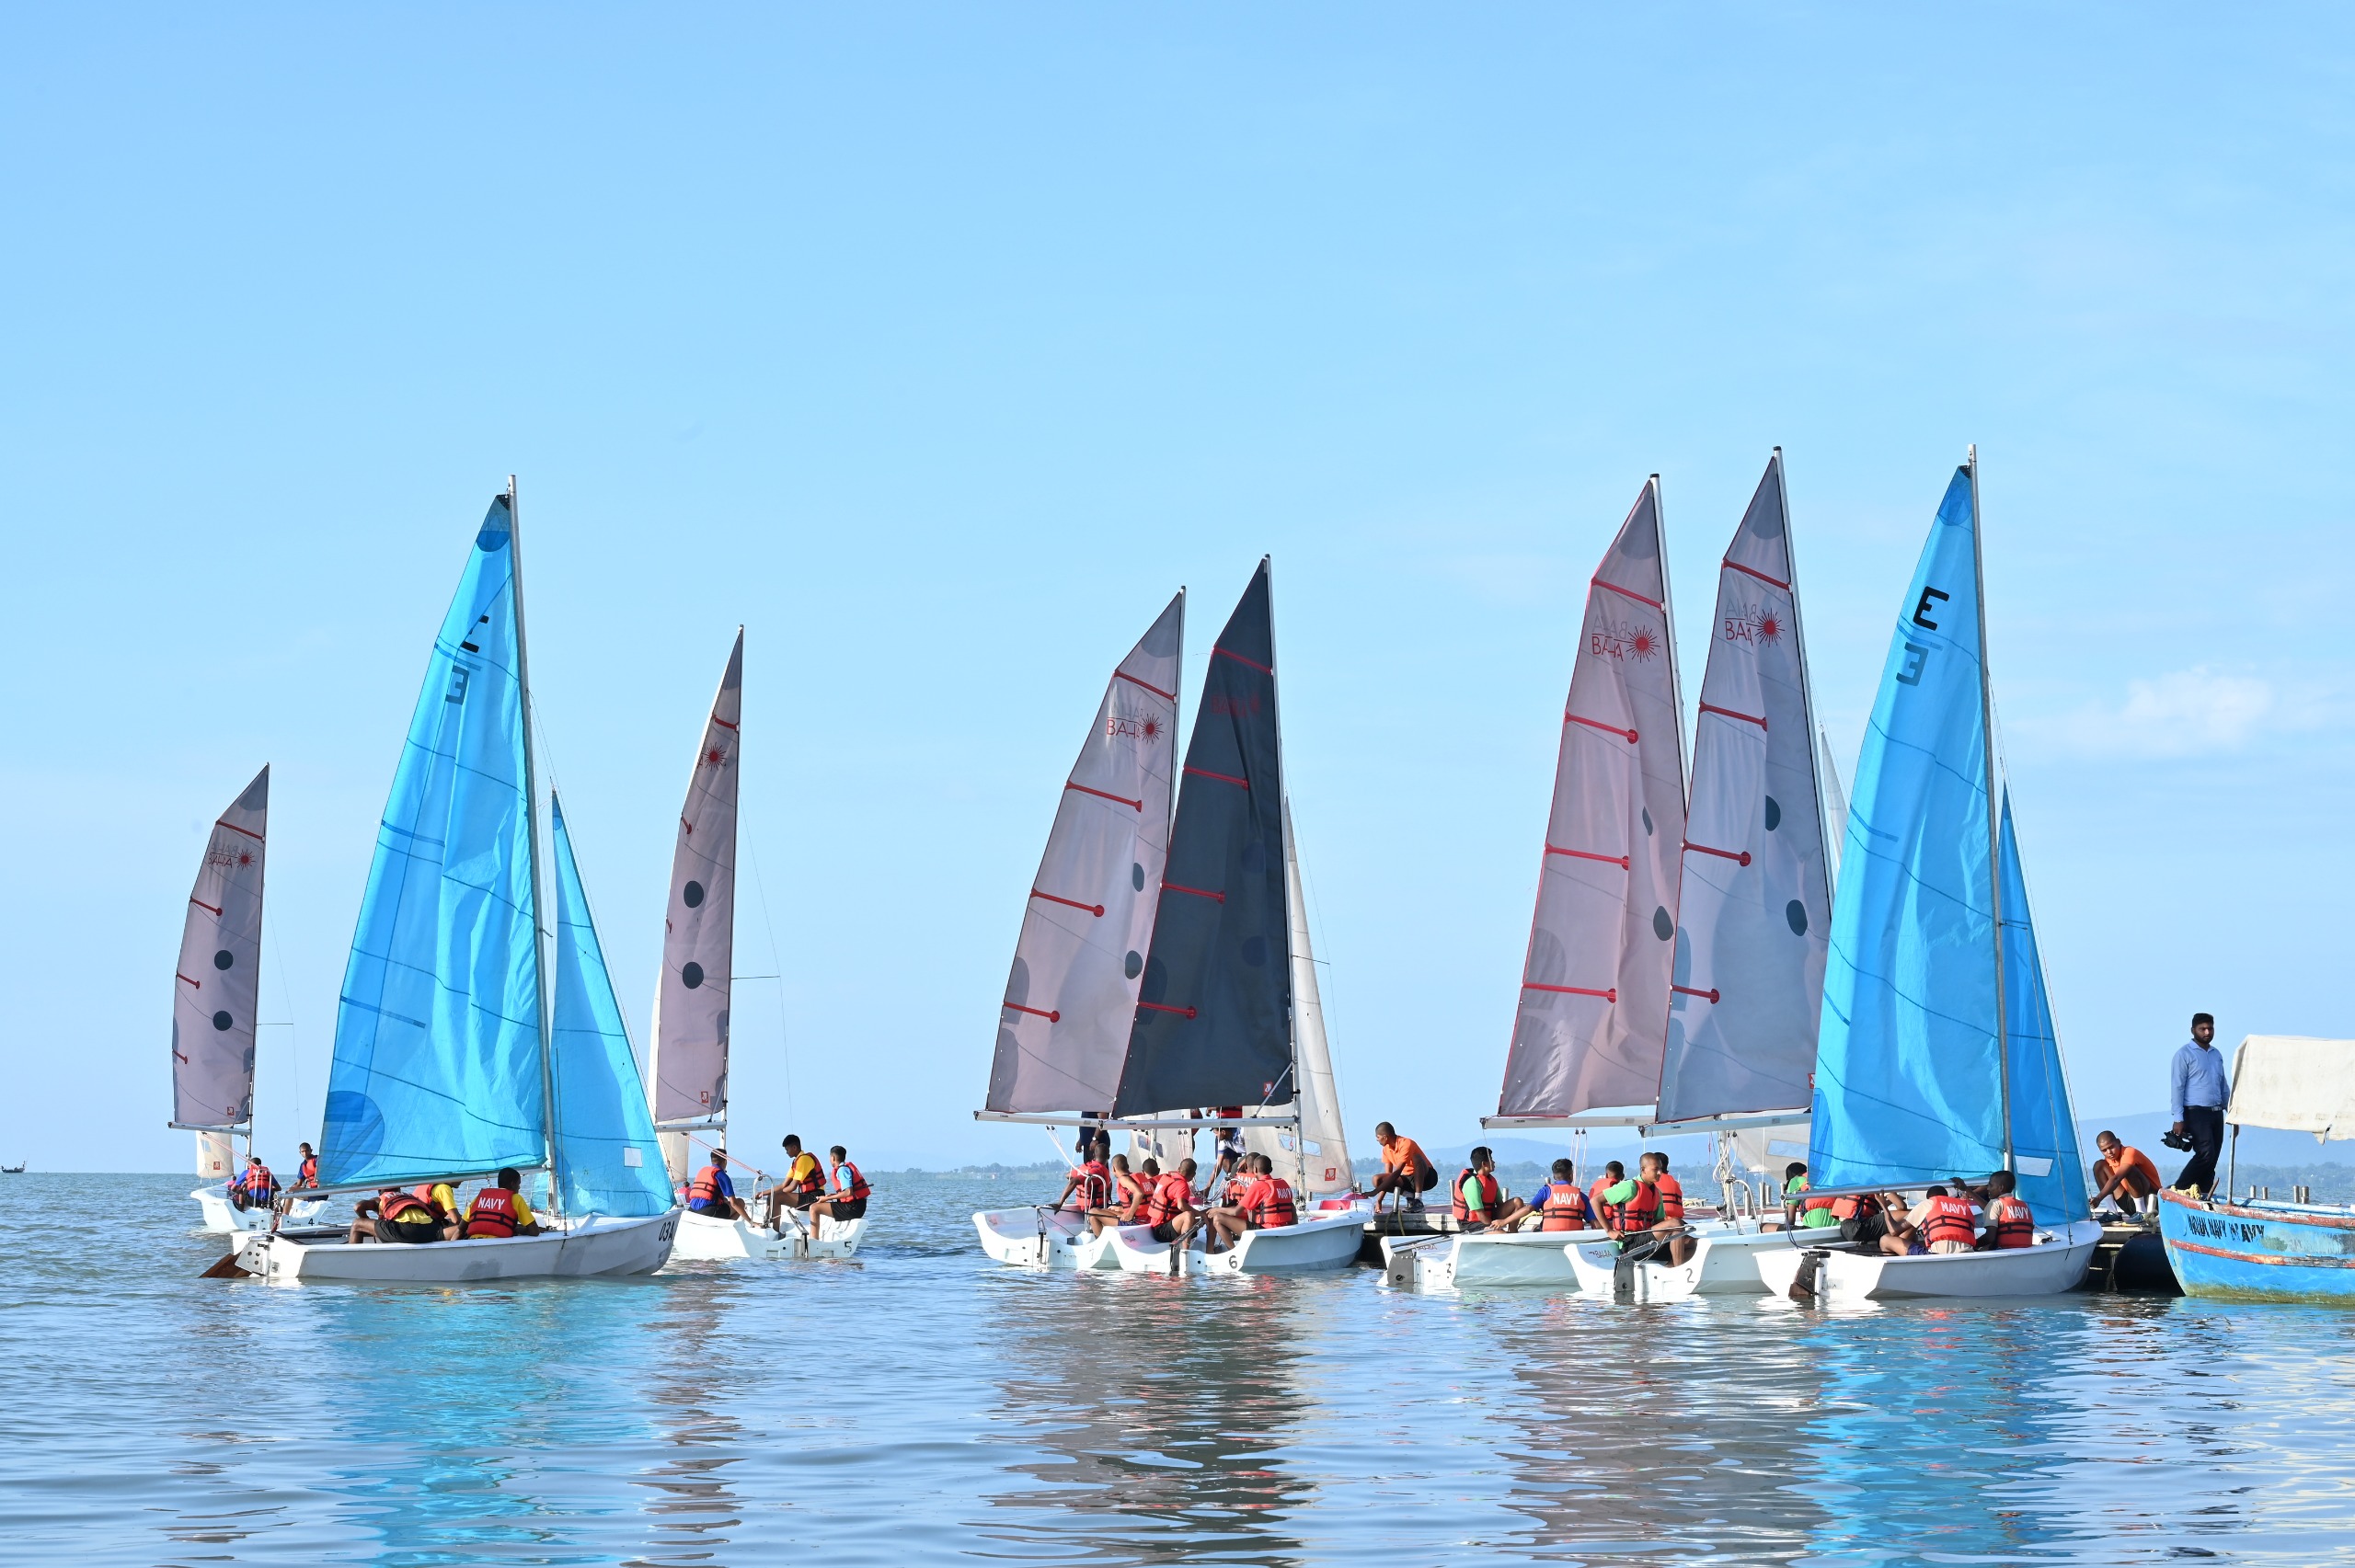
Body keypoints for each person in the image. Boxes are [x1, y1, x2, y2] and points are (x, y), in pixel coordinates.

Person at [2169, 1013, 2229, 1196]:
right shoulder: (2184, 1054)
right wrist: (2178, 1118)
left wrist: (2232, 1112)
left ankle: (2202, 1194)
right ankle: (2179, 1189)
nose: (2207, 1032)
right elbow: (2177, 1087)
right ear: (2193, 1030)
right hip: (2195, 1112)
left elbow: (2222, 1085)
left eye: (2210, 1028)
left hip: (2216, 1112)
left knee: (2212, 1159)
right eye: (2202, 1028)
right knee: (2205, 1153)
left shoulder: (2216, 1054)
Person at [1208, 1153, 1300, 1251]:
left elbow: (1235, 1212)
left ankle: (1234, 1253)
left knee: (1217, 1218)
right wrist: (1293, 1232)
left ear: (1255, 1170)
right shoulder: (1283, 1184)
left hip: (1264, 1231)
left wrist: (1217, 1209)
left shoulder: (1259, 1185)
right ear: (1271, 1169)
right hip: (1283, 1230)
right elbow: (1292, 1208)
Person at [1884, 1185, 1977, 1256]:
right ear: (1946, 1196)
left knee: (1885, 1240)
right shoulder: (1964, 1206)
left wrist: (1884, 1206)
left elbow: (1894, 1231)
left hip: (1936, 1256)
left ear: (1929, 1198)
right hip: (1967, 1253)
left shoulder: (1928, 1203)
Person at [1511, 1158, 1596, 1232]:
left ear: (1554, 1177)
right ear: (1571, 1176)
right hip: (1574, 1236)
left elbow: (1528, 1209)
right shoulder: (1582, 1196)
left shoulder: (1546, 1191)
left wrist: (1504, 1221)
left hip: (1549, 1234)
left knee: (1535, 1228)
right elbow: (1595, 1224)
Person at [2091, 1132, 2164, 1217]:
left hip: (2150, 1201)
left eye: (2111, 1147)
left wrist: (2099, 1198)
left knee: (2129, 1170)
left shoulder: (2129, 1152)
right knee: (2099, 1165)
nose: (2109, 1152)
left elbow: (2116, 1179)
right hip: (2129, 1203)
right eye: (2104, 1150)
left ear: (2118, 1142)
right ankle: (2112, 1213)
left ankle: (2141, 1213)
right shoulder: (2109, 1159)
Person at [1637, 1151, 1692, 1265]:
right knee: (1688, 1239)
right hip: (1674, 1225)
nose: (1657, 1173)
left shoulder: (1654, 1186)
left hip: (1669, 1226)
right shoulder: (1674, 1183)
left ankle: (1673, 1268)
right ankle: (1675, 1267)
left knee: (1679, 1229)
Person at [1370, 1123, 1439, 1211]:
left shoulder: (1406, 1143)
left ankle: (1418, 1200)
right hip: (1409, 1180)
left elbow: (1397, 1172)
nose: (1377, 1140)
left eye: (1378, 1137)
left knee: (1416, 1157)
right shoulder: (1386, 1150)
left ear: (1385, 1137)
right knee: (1377, 1180)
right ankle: (1409, 1196)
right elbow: (1388, 1177)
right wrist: (1379, 1201)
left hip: (1427, 1177)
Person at [804, 1145, 870, 1235]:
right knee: (818, 1206)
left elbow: (848, 1192)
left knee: (814, 1208)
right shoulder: (843, 1169)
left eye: (829, 1157)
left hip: (854, 1208)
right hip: (854, 1206)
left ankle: (813, 1240)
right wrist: (830, 1196)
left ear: (833, 1158)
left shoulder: (842, 1170)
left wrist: (826, 1199)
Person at [459, 1168, 544, 1239]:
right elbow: (534, 1231)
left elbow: (460, 1230)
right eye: (518, 1184)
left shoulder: (478, 1198)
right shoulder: (516, 1198)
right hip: (499, 1244)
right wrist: (515, 1229)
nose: (519, 1187)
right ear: (513, 1184)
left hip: (474, 1242)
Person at [1451, 1147, 1521, 1230]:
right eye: (1491, 1159)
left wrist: (1505, 1220)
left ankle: (1513, 1232)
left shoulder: (1491, 1180)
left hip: (1489, 1217)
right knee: (1500, 1234)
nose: (1494, 1162)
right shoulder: (1472, 1183)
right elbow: (1481, 1215)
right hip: (1471, 1223)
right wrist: (1496, 1228)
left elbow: (1500, 1205)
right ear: (1484, 1164)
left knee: (1517, 1202)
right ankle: (1501, 1235)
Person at [760, 1135, 826, 1222]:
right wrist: (762, 1193)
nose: (786, 1152)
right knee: (772, 1196)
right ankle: (768, 1222)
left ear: (794, 1147)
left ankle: (775, 1230)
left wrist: (775, 1194)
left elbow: (792, 1187)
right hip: (807, 1196)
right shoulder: (796, 1162)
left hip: (815, 1197)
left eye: (787, 1149)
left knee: (776, 1197)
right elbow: (784, 1185)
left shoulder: (804, 1160)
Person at [348, 1186, 445, 1245]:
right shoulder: (409, 1196)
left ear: (380, 1190)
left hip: (405, 1231)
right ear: (399, 1189)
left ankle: (351, 1263)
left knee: (357, 1224)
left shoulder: (380, 1199)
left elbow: (358, 1207)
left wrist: (368, 1224)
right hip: (431, 1229)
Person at [1142, 1157, 1201, 1249]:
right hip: (1161, 1231)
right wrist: (1200, 1214)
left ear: (1178, 1169)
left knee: (1206, 1216)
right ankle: (1185, 1252)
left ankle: (1209, 1250)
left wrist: (1202, 1216)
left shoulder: (1168, 1179)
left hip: (1157, 1227)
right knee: (1188, 1215)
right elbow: (1181, 1206)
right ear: (1193, 1174)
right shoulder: (1182, 1185)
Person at [1051, 1140, 1114, 1219]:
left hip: (1084, 1209)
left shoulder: (1084, 1167)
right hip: (1095, 1209)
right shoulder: (1098, 1171)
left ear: (1094, 1155)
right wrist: (1060, 1204)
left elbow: (1068, 1176)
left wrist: (1080, 1173)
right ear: (1108, 1156)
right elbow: (1073, 1181)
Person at [684, 1150, 749, 1221]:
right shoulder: (722, 1175)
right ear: (725, 1161)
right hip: (707, 1212)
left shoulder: (703, 1171)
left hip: (691, 1210)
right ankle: (725, 1228)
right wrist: (751, 1222)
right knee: (740, 1202)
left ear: (711, 1160)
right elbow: (734, 1204)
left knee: (725, 1200)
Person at [1979, 1170, 2036, 1250]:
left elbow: (1990, 1237)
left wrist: (1973, 1244)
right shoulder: (2024, 1205)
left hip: (2004, 1250)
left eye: (1990, 1185)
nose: (1988, 1188)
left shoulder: (1995, 1203)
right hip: (2026, 1249)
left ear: (2001, 1188)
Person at [1785, 1162, 1839, 1230]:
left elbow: (1791, 1218)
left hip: (1813, 1225)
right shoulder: (1825, 1178)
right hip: (1837, 1224)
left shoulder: (1795, 1181)